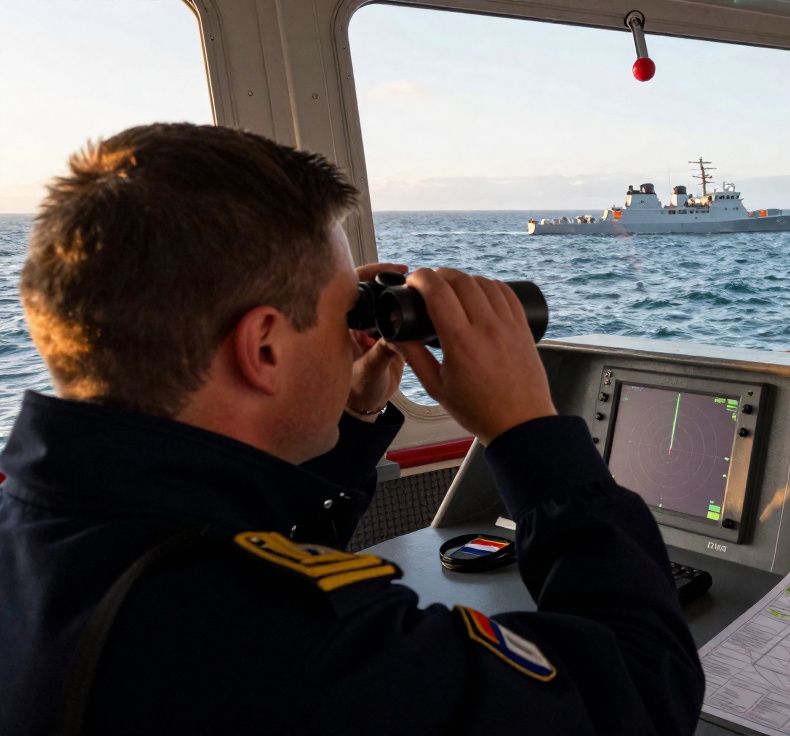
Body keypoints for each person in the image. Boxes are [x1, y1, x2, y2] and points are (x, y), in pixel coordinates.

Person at [0, 123, 702, 734]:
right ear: (264, 347)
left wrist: (355, 411)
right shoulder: (293, 649)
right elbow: (641, 695)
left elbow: (247, 551)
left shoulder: (65, 536)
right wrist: (526, 429)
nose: (357, 335)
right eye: (347, 311)